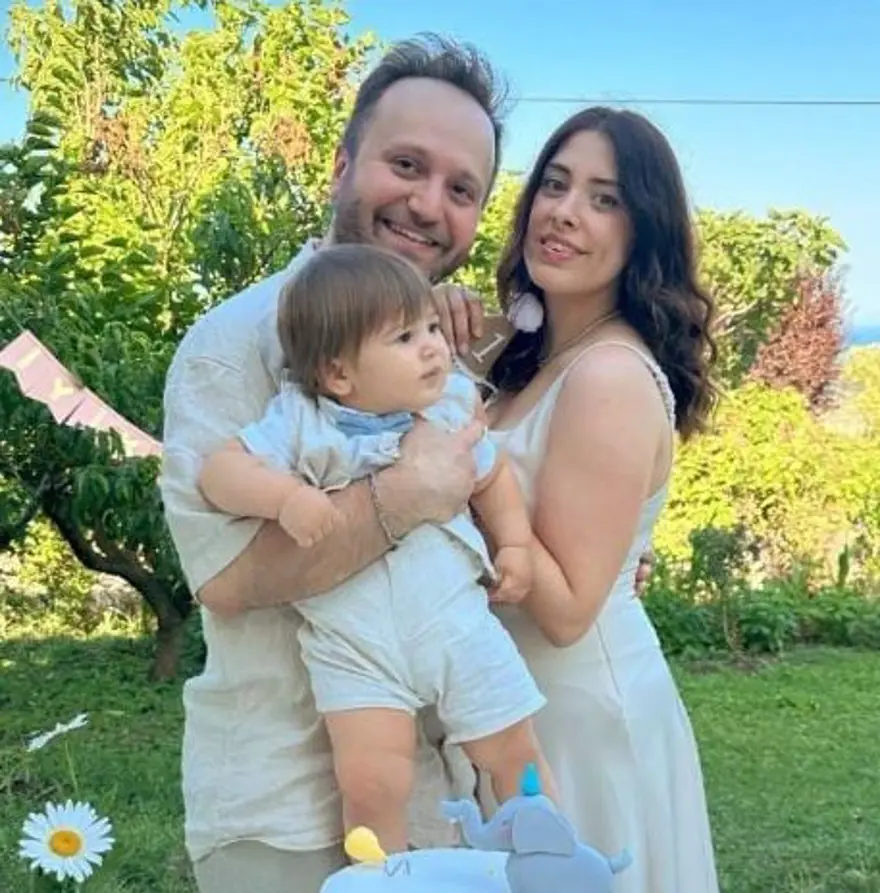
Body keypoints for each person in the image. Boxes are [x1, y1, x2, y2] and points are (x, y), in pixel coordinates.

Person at [161, 33, 651, 893]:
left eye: (461, 189)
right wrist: (404, 493)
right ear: (342, 165)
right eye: (407, 165)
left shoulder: (440, 354)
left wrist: (573, 549)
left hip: (450, 804)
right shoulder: (236, 344)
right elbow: (226, 578)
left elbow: (502, 479)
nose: (429, 205)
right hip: (285, 814)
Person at [195, 242, 554, 853]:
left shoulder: (449, 409)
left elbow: (491, 476)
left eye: (432, 328)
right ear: (339, 374)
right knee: (370, 783)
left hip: (457, 625)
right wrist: (284, 497)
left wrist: (515, 544)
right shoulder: (301, 421)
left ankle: (551, 854)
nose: (434, 347)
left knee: (514, 753)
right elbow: (219, 473)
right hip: (355, 646)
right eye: (406, 337)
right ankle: (377, 875)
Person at [459, 106, 721, 893]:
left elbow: (570, 608)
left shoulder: (607, 375)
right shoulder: (529, 354)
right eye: (555, 184)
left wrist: (463, 469)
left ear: (644, 233)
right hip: (517, 706)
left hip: (577, 716)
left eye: (605, 199)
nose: (565, 212)